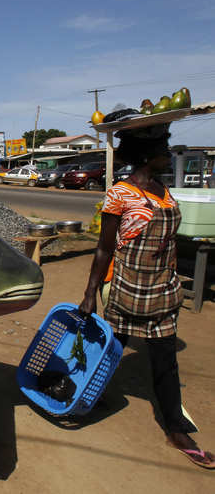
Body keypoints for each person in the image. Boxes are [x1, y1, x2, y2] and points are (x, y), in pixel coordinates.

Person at [79, 112, 214, 469]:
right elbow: (104, 249)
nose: (168, 155)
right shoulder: (121, 194)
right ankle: (83, 397)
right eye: (163, 150)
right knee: (109, 351)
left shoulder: (163, 191)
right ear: (145, 156)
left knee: (166, 362)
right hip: (128, 289)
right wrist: (90, 293)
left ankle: (174, 428)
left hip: (163, 290)